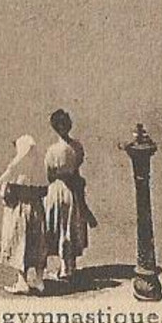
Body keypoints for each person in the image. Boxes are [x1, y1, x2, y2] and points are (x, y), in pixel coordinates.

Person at [43, 109, 97, 283]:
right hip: (72, 189)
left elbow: (49, 174)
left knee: (60, 227)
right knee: (71, 226)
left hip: (57, 190)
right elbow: (77, 167)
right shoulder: (77, 147)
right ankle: (69, 266)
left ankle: (64, 269)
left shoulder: (52, 150)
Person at [0, 134, 49, 295]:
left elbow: (6, 194)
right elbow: (44, 190)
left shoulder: (15, 171)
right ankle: (39, 280)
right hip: (37, 210)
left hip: (19, 210)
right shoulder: (39, 169)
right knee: (37, 243)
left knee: (20, 243)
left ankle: (22, 281)